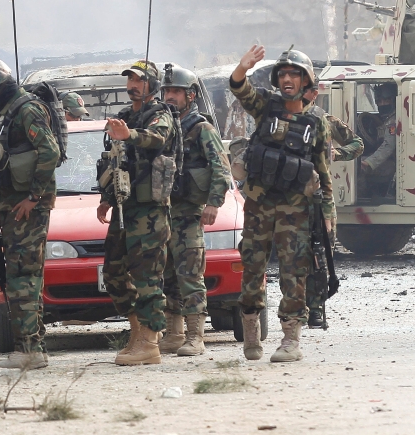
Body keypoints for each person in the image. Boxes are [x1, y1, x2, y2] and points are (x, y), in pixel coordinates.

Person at [229, 45, 333, 363]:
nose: (288, 78)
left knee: (294, 272)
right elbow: (239, 89)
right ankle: (251, 334)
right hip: (260, 205)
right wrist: (242, 67)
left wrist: (328, 218)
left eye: (295, 74)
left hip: (296, 209)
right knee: (252, 268)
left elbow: (324, 173)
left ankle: (291, 339)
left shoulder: (317, 122)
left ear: (306, 81)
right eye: (284, 73)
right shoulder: (265, 106)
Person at [0, 58, 60, 369]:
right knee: (21, 274)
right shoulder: (9, 115)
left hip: (26, 206)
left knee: (23, 276)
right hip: (12, 204)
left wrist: (33, 196)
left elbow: (50, 152)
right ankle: (33, 346)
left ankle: (29, 350)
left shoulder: (26, 109)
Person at [96, 60, 175, 366]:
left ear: (152, 85)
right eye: (129, 80)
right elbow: (115, 163)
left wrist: (129, 135)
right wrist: (106, 197)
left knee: (147, 275)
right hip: (123, 207)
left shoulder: (161, 114)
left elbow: (156, 139)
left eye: (139, 81)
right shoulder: (124, 117)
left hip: (149, 210)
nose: (132, 86)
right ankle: (137, 330)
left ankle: (151, 341)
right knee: (114, 272)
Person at [157, 64, 232, 356]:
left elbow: (221, 169)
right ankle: (173, 332)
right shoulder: (161, 126)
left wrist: (214, 203)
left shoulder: (201, 129)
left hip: (188, 213)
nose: (170, 96)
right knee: (167, 275)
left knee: (190, 275)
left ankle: (195, 336)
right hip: (163, 213)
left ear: (190, 96)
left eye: (176, 91)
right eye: (167, 91)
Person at [301, 85, 363, 327]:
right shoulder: (280, 119)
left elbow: (357, 144)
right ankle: (296, 307)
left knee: (320, 250)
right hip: (290, 196)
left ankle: (315, 308)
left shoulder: (325, 120)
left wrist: (337, 154)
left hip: (319, 194)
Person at [358, 82, 398, 198]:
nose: (383, 104)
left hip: (392, 164)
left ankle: (361, 198)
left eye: (386, 101)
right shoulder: (387, 119)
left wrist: (368, 163)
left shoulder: (393, 121)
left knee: (355, 169)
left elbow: (388, 146)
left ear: (394, 101)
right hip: (385, 160)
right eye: (379, 102)